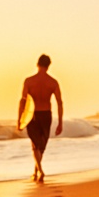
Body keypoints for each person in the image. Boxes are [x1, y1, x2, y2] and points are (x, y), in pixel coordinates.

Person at [18, 54, 63, 183]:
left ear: (37, 64)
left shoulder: (29, 81)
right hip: (46, 115)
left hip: (32, 115)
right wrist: (60, 123)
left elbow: (22, 101)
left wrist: (19, 119)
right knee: (41, 146)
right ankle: (36, 171)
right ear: (48, 66)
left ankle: (39, 171)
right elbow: (60, 103)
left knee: (35, 146)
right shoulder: (53, 82)